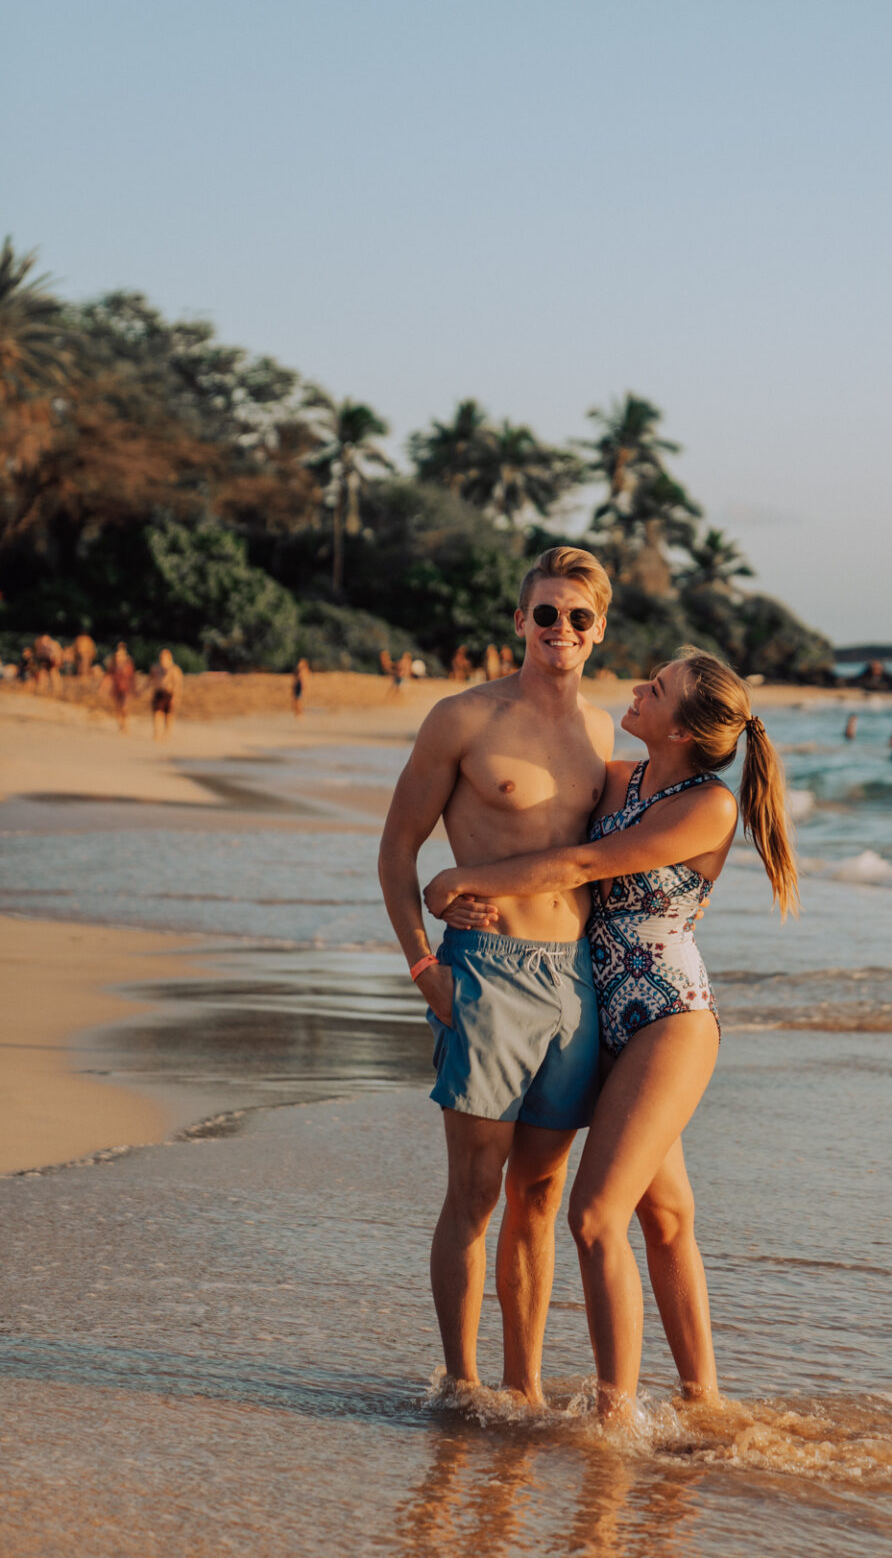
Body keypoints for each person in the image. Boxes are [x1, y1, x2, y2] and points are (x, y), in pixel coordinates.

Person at [425, 646, 799, 1420]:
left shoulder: (709, 807)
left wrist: (457, 881)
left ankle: (614, 1416)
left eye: (656, 689)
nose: (638, 688)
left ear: (684, 731)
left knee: (595, 1215)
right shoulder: (620, 777)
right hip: (598, 1012)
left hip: (668, 1017)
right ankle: (704, 1405)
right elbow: (538, 820)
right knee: (664, 1219)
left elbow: (582, 863)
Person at [378, 547, 616, 1405]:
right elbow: (398, 849)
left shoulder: (603, 732)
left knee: (540, 1199)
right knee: (475, 1193)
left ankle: (523, 1394)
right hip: (485, 974)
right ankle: (462, 1383)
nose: (560, 629)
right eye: (545, 613)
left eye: (577, 617)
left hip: (574, 981)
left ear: (599, 631)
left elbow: (612, 858)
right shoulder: (463, 718)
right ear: (519, 622)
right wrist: (421, 964)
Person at [150, 649, 183, 741]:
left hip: (169, 694)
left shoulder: (174, 669)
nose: (162, 659)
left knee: (168, 716)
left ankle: (167, 732)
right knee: (157, 714)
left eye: (164, 657)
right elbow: (150, 681)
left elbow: (178, 684)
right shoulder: (155, 668)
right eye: (161, 657)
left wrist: (176, 697)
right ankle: (157, 733)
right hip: (159, 694)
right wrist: (140, 690)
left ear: (169, 658)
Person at [102, 643, 136, 731]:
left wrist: (134, 688)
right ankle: (120, 724)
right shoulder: (113, 664)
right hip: (116, 688)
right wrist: (103, 687)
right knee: (118, 707)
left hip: (126, 688)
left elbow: (132, 677)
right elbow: (108, 675)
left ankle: (125, 724)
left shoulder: (128, 664)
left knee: (125, 707)